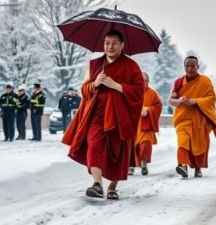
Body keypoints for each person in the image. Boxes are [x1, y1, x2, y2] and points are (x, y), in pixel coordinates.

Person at [63, 30, 144, 200]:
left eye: (115, 43)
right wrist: (95, 84)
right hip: (97, 115)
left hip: (120, 116)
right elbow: (84, 89)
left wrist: (117, 86)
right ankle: (97, 184)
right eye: (107, 43)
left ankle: (113, 187)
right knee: (94, 145)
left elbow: (138, 92)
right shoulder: (95, 64)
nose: (110, 46)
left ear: (122, 45)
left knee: (117, 151)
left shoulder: (131, 66)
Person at [169, 56, 216, 179]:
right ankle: (183, 165)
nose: (190, 68)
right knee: (183, 141)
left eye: (193, 66)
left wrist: (196, 101)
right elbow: (171, 100)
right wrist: (179, 101)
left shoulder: (205, 81)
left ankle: (198, 168)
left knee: (198, 144)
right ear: (184, 67)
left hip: (200, 119)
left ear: (198, 67)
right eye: (187, 66)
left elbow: (211, 99)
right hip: (183, 119)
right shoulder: (179, 82)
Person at [129, 72, 162, 176]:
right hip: (133, 125)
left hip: (146, 125)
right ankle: (131, 166)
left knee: (145, 144)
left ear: (148, 82)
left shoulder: (153, 94)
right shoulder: (131, 92)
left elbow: (158, 106)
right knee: (131, 146)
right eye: (141, 80)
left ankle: (144, 164)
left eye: (145, 81)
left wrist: (148, 110)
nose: (143, 83)